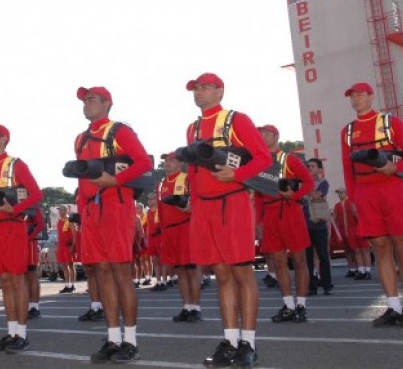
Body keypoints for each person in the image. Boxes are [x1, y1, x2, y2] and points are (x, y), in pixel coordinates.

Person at [184, 73, 272, 367]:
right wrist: (195, 209)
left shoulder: (237, 120)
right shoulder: (193, 128)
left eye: (204, 87)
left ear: (220, 91)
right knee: (221, 274)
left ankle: (248, 343)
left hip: (233, 203)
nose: (198, 92)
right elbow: (195, 174)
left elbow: (263, 159)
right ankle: (230, 340)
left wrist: (237, 174)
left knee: (241, 273)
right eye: (195, 88)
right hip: (205, 208)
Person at [74, 86, 153, 363]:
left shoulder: (120, 131)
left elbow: (144, 163)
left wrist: (116, 180)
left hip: (117, 206)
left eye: (92, 99)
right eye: (84, 100)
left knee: (121, 273)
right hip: (92, 212)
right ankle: (112, 337)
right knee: (102, 272)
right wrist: (83, 209)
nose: (86, 103)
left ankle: (130, 340)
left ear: (108, 103)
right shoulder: (80, 138)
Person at [341, 82, 403, 327]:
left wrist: (395, 167)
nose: (355, 99)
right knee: (380, 248)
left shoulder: (390, 122)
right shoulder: (347, 131)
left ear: (371, 96)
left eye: (360, 94)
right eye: (352, 96)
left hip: (393, 187)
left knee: (402, 245)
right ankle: (393, 306)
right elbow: (347, 169)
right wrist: (353, 199)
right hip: (365, 191)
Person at [0, 123, 43, 353]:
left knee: (17, 280)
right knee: (5, 281)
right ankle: (11, 331)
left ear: (3, 138)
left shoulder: (16, 164)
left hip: (13, 226)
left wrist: (15, 211)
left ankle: (22, 334)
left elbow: (36, 194)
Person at [257, 125, 315, 323]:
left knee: (299, 260)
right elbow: (257, 195)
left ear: (276, 136)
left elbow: (309, 183)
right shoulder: (258, 162)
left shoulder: (289, 159)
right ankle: (288, 304)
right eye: (260, 134)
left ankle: (301, 305)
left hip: (290, 210)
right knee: (278, 262)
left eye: (266, 133)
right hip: (270, 213)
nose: (262, 137)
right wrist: (259, 221)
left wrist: (295, 195)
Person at [158, 151, 202, 323]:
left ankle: (196, 307)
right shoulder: (161, 183)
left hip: (187, 228)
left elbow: (198, 203)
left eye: (171, 160)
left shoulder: (187, 178)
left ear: (181, 163)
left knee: (192, 269)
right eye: (166, 160)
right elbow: (161, 212)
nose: (167, 163)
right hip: (170, 231)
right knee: (180, 271)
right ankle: (187, 306)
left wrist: (188, 208)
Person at [303, 158, 333, 295]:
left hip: (318, 224)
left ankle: (327, 284)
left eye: (313, 166)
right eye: (308, 166)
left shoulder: (323, 183)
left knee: (323, 256)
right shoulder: (301, 182)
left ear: (320, 170)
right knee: (307, 258)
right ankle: (311, 286)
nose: (309, 168)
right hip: (304, 223)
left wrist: (306, 183)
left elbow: (316, 195)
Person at [333, 187, 372, 280]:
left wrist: (365, 227)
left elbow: (358, 215)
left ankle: (367, 271)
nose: (340, 194)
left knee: (364, 249)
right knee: (356, 250)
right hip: (348, 230)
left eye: (341, 192)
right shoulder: (337, 206)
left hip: (357, 228)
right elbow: (335, 219)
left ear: (346, 193)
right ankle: (361, 270)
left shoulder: (351, 202)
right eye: (339, 193)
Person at [26, 206, 46, 319]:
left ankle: (34, 307)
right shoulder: (13, 204)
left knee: (31, 275)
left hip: (29, 245)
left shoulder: (32, 207)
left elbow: (41, 224)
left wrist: (29, 237)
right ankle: (27, 305)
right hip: (16, 244)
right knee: (22, 276)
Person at [56, 205, 77, 293]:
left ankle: (72, 285)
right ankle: (66, 285)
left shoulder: (69, 221)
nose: (59, 212)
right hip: (61, 246)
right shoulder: (59, 221)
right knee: (64, 266)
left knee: (71, 265)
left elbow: (74, 234)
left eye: (61, 210)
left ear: (65, 210)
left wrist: (73, 246)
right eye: (59, 210)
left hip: (68, 246)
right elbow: (59, 234)